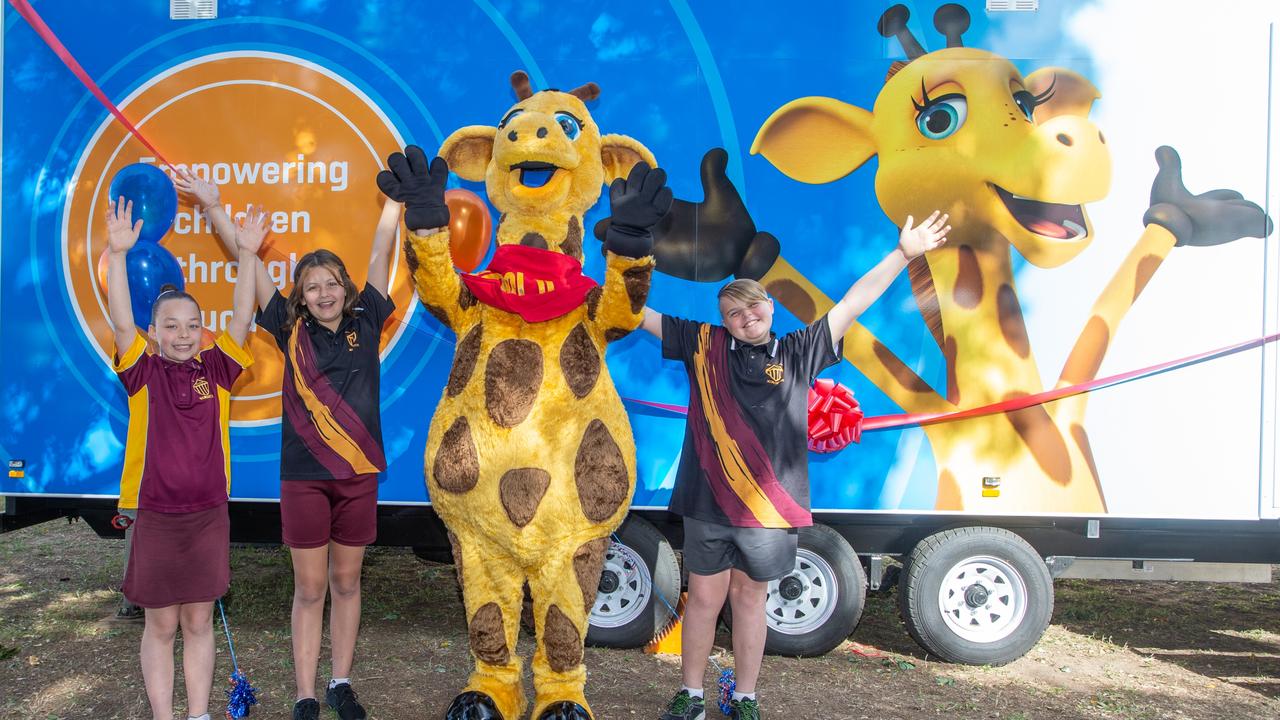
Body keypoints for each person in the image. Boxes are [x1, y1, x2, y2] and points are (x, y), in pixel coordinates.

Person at [650, 212, 951, 720]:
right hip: (707, 501)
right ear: (722, 322)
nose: (745, 316)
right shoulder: (702, 344)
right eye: (732, 312)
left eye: (752, 306)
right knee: (702, 601)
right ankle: (692, 695)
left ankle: (744, 698)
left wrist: (904, 254)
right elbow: (634, 309)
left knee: (749, 600)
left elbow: (855, 301)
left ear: (769, 307)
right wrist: (590, 268)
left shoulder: (799, 350)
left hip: (770, 507)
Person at [176, 171, 399, 720]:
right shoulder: (286, 326)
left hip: (358, 475)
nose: (323, 293)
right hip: (301, 478)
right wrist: (213, 207)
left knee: (347, 583)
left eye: (331, 284)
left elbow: (379, 249)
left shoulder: (368, 318)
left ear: (346, 289)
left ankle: (340, 682)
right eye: (312, 286)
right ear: (300, 294)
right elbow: (246, 257)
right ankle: (305, 694)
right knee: (310, 586)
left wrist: (395, 204)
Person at [106, 197, 259, 720]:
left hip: (207, 516)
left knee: (198, 623)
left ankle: (198, 714)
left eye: (191, 324)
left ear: (202, 329)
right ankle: (164, 715)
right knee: (161, 626)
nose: (182, 334)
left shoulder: (216, 370)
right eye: (170, 326)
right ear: (154, 332)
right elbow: (121, 321)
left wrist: (246, 253)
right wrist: (119, 254)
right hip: (156, 518)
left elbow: (243, 316)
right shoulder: (141, 373)